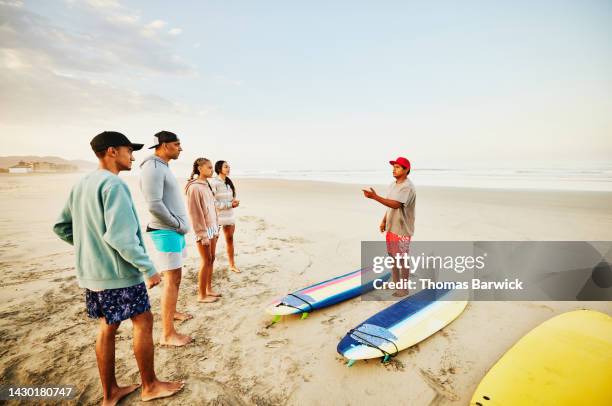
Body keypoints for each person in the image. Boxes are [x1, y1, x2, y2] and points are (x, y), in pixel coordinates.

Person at [53, 131, 184, 405]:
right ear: (112, 151)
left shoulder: (83, 183)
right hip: (118, 274)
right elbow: (121, 238)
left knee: (107, 326)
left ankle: (110, 392)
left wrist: (90, 248)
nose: (132, 156)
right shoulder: (113, 185)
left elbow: (62, 227)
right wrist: (148, 268)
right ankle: (150, 385)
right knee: (143, 320)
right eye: (128, 150)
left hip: (92, 274)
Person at [139, 131, 192, 347]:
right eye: (177, 144)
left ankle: (173, 313)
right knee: (171, 279)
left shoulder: (162, 166)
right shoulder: (151, 167)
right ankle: (168, 334)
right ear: (163, 145)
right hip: (166, 230)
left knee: (176, 278)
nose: (181, 148)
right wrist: (177, 224)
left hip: (172, 231)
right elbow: (154, 204)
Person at [363, 156, 416, 297]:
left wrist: (375, 197)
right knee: (393, 256)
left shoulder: (407, 187)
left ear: (406, 170)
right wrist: (384, 221)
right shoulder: (393, 185)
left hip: (402, 229)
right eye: (394, 166)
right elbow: (389, 205)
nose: (394, 169)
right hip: (391, 227)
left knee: (402, 258)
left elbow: (396, 204)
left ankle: (404, 289)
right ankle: (395, 283)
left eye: (398, 167)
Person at [185, 158, 222, 302]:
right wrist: (202, 234)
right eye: (209, 167)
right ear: (199, 168)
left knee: (212, 259)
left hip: (212, 227)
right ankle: (201, 295)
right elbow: (195, 213)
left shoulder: (206, 184)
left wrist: (217, 226)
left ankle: (209, 288)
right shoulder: (194, 187)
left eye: (212, 167)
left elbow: (212, 208)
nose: (212, 170)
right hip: (203, 231)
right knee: (205, 260)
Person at [212, 160, 240, 273]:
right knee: (213, 243)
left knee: (230, 240)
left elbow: (230, 198)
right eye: (226, 167)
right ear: (219, 169)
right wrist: (229, 204)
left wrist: (233, 202)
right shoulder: (214, 182)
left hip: (229, 216)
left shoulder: (228, 182)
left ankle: (232, 265)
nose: (228, 168)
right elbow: (213, 203)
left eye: (229, 166)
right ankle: (210, 266)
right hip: (217, 217)